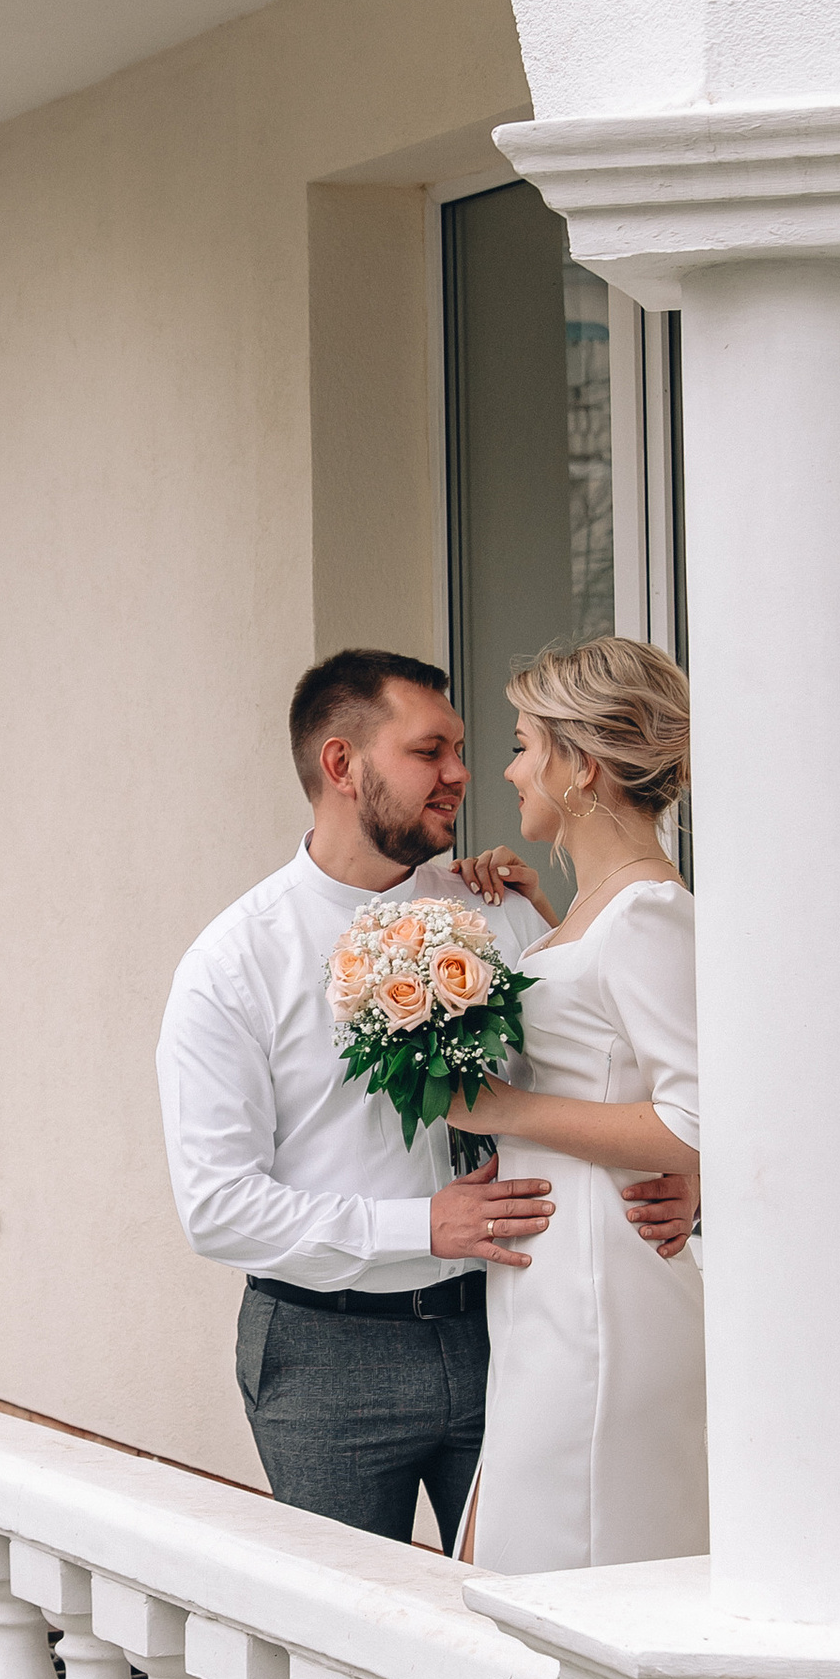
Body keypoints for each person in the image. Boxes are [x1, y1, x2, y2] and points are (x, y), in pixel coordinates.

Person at [157, 649, 695, 1550]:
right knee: (341, 1635)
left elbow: (607, 1059)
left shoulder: (503, 911)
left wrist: (675, 1173)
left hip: (512, 1322)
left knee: (527, 1591)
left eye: (468, 747)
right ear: (342, 765)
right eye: (429, 751)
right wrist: (422, 1227)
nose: (463, 773)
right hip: (331, 1355)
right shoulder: (233, 965)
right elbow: (216, 1207)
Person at [450, 635, 706, 1572]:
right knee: (516, 1555)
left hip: (602, 1292)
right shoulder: (601, 909)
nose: (510, 769)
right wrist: (537, 923)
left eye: (525, 743)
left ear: (581, 764)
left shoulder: (648, 915)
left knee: (563, 1565)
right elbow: (604, 1044)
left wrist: (503, 1110)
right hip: (551, 1280)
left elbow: (693, 1119)